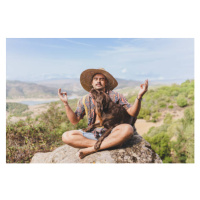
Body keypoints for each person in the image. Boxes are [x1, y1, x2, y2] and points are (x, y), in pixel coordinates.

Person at [58, 68, 148, 159]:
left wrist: (139, 96)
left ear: (106, 82)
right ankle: (109, 144)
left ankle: (92, 149)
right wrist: (65, 103)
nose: (98, 81)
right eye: (96, 79)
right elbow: (74, 121)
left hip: (112, 132)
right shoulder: (85, 99)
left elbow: (132, 113)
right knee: (66, 136)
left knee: (128, 129)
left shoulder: (116, 96)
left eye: (101, 79)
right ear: (92, 83)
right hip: (92, 134)